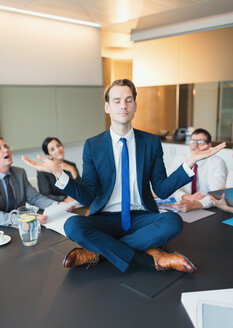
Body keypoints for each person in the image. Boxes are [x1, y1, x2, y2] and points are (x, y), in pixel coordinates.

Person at [22, 79, 226, 274]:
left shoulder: (151, 142)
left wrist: (189, 162)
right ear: (107, 107)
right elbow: (87, 197)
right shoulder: (93, 145)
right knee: (73, 225)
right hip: (105, 219)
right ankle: (152, 259)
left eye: (128, 100)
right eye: (117, 100)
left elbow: (162, 189)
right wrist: (59, 173)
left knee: (172, 222)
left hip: (141, 217)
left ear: (135, 105)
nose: (123, 105)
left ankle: (99, 252)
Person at [0, 137, 55, 226]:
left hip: (23, 228)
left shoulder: (19, 173)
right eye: (0, 148)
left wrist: (57, 206)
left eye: (6, 146)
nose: (6, 150)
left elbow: (35, 198)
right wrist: (24, 218)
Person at [170, 128, 227, 212]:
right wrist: (185, 196)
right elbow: (169, 185)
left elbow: (217, 194)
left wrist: (196, 204)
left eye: (200, 142)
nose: (195, 145)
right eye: (192, 141)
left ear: (209, 145)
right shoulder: (179, 159)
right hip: (182, 204)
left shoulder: (218, 163)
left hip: (208, 208)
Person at [37, 137, 81, 202]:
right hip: (57, 204)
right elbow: (45, 194)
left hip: (75, 203)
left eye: (58, 145)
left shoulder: (71, 165)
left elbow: (81, 190)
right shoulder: (43, 170)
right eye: (52, 149)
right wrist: (64, 199)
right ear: (49, 156)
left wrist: (72, 169)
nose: (58, 150)